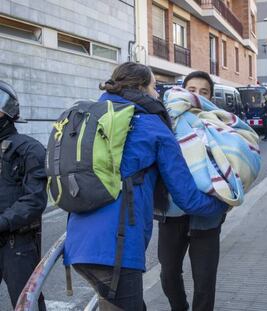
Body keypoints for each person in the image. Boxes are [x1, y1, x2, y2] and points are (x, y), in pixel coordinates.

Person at [63, 63, 228, 311]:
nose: (157, 93)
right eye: (153, 86)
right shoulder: (153, 126)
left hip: (79, 242)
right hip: (117, 248)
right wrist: (223, 201)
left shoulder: (97, 115)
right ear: (141, 88)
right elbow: (188, 198)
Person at [156, 71, 225, 311]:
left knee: (204, 282)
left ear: (210, 97)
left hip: (207, 215)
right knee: (168, 273)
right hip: (172, 212)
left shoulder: (218, 122)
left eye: (203, 92)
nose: (196, 95)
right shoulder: (166, 121)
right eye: (191, 90)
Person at [0, 81, 47, 310]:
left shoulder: (29, 149)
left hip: (17, 243)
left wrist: (3, 221)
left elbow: (35, 200)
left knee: (27, 303)